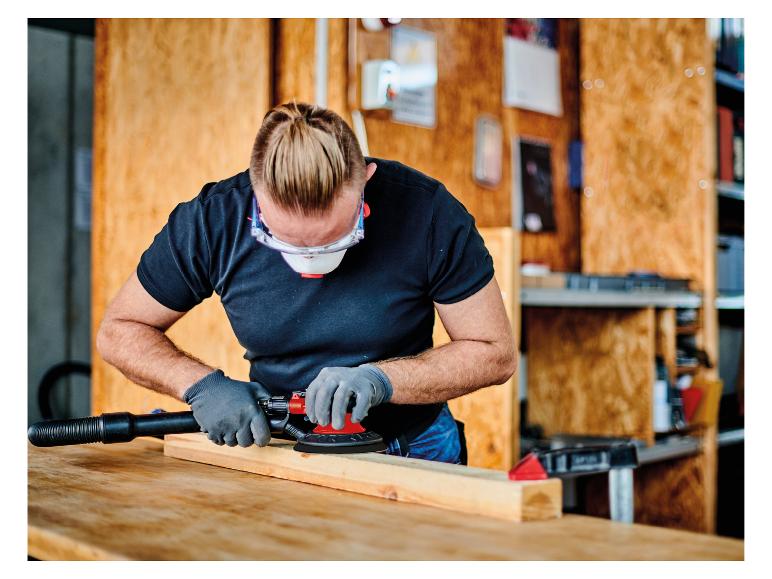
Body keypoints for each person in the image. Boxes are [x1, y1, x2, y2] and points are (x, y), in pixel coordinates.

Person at [96, 102, 516, 464]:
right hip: (279, 447)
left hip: (412, 442)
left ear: (365, 180)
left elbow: (493, 351)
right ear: (255, 195)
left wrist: (381, 381)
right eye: (285, 242)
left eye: (336, 239)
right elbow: (120, 330)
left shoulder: (427, 213)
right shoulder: (213, 220)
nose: (309, 265)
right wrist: (199, 386)